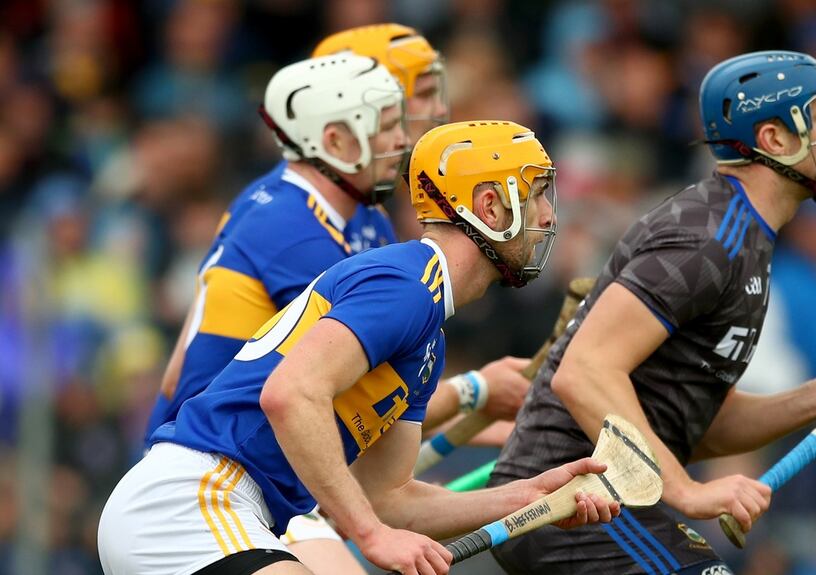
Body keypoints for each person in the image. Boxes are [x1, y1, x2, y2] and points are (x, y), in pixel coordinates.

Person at [98, 118, 620, 575]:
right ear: (489, 205)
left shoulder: (428, 333)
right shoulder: (408, 285)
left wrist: (530, 497)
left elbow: (389, 498)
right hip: (194, 503)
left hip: (224, 512)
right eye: (536, 195)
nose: (550, 216)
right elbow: (290, 395)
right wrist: (370, 536)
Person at [488, 50, 816, 575]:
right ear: (774, 140)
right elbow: (584, 372)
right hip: (569, 500)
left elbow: (697, 422)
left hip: (606, 503)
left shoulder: (745, 236)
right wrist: (685, 490)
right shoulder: (709, 239)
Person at [141, 25, 530, 572]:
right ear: (339, 133)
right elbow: (311, 394)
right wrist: (472, 391)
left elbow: (378, 403)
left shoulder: (362, 217)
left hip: (270, 470)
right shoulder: (290, 225)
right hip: (223, 462)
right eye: (409, 101)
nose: (432, 115)